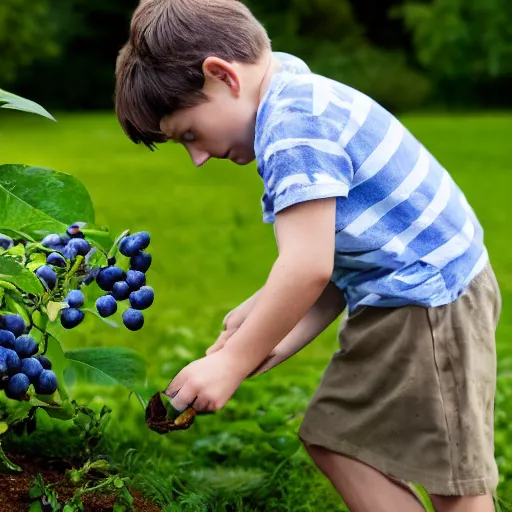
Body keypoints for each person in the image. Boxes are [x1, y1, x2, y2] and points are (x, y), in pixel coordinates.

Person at [114, 1, 501, 510]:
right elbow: (332, 266)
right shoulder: (291, 89)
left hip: (428, 301)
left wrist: (233, 361)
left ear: (222, 76)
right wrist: (262, 332)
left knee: (454, 485)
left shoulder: (293, 128)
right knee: (339, 441)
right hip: (409, 295)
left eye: (189, 133)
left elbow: (307, 268)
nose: (199, 156)